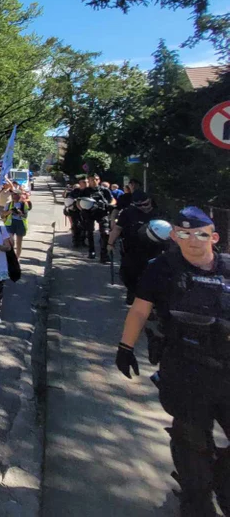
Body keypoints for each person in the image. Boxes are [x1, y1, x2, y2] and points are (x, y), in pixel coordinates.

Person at [115, 207, 229, 517]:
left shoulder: (228, 268)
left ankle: (219, 476)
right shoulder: (162, 268)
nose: (193, 241)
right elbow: (140, 310)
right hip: (185, 371)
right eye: (183, 234)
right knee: (192, 446)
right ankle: (197, 499)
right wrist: (125, 347)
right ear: (174, 237)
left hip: (227, 372)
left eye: (201, 234)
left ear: (214, 236)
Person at [107, 190, 169, 304]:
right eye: (139, 205)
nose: (143, 207)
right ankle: (132, 292)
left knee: (152, 277)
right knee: (128, 274)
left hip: (155, 250)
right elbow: (117, 228)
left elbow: (169, 231)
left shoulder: (160, 213)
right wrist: (110, 244)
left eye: (146, 204)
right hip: (133, 250)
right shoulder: (128, 213)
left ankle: (148, 304)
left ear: (150, 200)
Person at [81, 175, 115, 262]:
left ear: (98, 180)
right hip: (89, 213)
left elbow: (112, 200)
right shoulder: (85, 191)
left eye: (95, 180)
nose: (93, 181)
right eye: (91, 180)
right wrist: (82, 209)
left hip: (102, 213)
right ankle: (91, 251)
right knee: (89, 232)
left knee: (105, 233)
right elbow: (79, 201)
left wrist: (110, 205)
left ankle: (104, 254)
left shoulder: (104, 190)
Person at [1, 189, 32, 259]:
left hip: (20, 224)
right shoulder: (9, 204)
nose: (13, 196)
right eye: (12, 194)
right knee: (10, 241)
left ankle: (17, 258)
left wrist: (20, 213)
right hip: (10, 223)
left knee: (19, 243)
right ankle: (11, 256)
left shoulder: (24, 204)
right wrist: (10, 211)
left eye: (15, 194)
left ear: (19, 195)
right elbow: (3, 214)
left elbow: (25, 216)